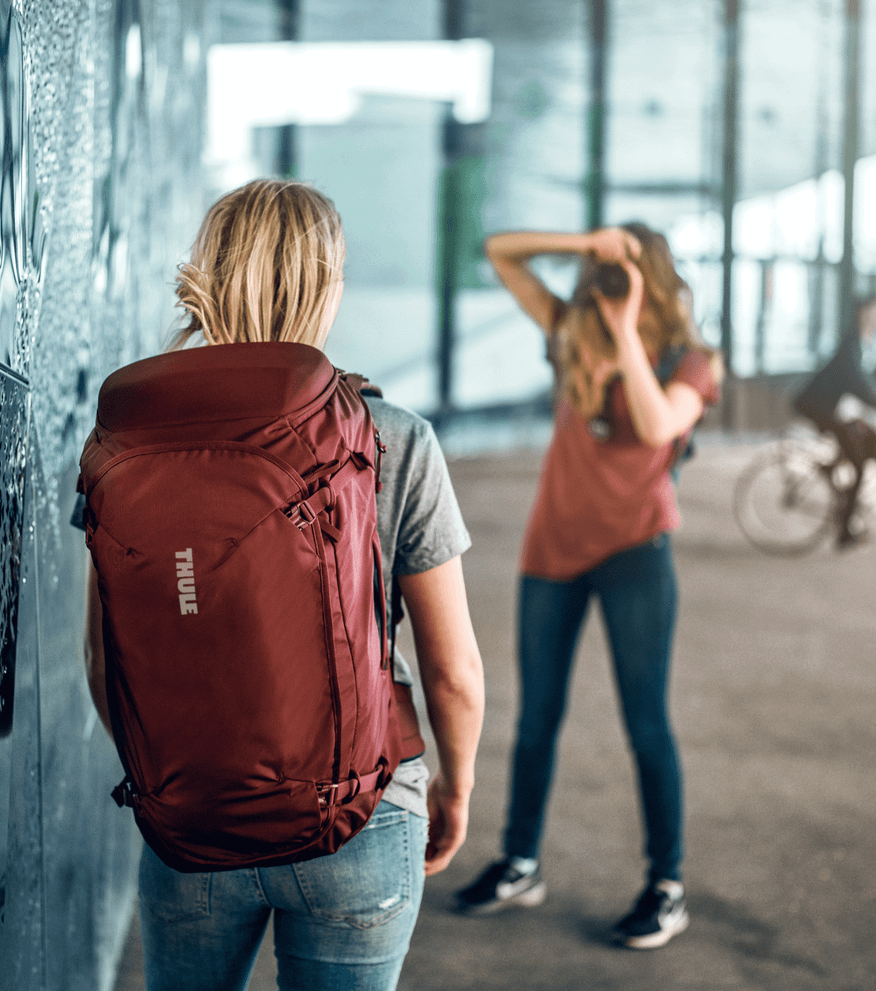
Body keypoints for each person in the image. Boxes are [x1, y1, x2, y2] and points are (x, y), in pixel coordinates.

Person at [80, 179, 485, 991]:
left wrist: (179, 777)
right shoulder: (392, 436)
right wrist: (454, 787)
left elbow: (104, 657)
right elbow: (451, 673)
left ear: (208, 278)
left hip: (191, 822)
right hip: (362, 816)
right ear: (325, 288)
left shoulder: (128, 439)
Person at [454, 224, 721, 950]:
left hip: (636, 550)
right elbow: (498, 251)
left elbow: (658, 420)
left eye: (622, 272)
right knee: (535, 717)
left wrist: (624, 324)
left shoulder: (688, 360)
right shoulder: (570, 331)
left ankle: (665, 884)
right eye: (599, 273)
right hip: (553, 548)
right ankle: (519, 861)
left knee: (646, 723)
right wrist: (583, 244)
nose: (602, 283)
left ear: (652, 280)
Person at [793, 294, 876, 548]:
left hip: (842, 410)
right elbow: (858, 383)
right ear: (865, 314)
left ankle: (841, 492)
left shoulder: (868, 342)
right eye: (875, 310)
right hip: (823, 408)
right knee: (859, 463)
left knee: (861, 448)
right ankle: (846, 529)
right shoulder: (850, 344)